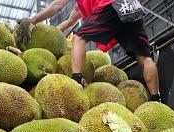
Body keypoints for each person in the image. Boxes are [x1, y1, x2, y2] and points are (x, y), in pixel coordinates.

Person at [16, 0, 161, 102]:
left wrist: (32, 20)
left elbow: (57, 6)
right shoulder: (82, 5)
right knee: (145, 58)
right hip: (132, 7)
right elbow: (69, 22)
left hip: (110, 5)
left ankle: (77, 80)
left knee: (79, 38)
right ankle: (156, 100)